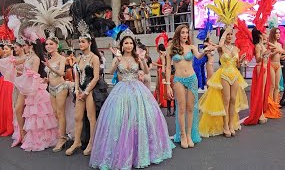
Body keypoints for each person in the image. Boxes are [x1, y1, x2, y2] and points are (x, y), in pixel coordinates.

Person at [89, 29, 173, 169]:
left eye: (130, 43)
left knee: (140, 119)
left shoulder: (136, 57)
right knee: (121, 120)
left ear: (134, 44)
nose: (128, 45)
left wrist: (142, 60)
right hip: (121, 90)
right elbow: (109, 72)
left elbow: (146, 72)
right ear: (122, 45)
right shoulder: (118, 58)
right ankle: (121, 152)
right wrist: (116, 61)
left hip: (137, 89)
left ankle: (141, 152)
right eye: (126, 43)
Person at [165, 24, 215, 148]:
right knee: (181, 108)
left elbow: (198, 56)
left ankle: (189, 135)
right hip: (178, 80)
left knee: (191, 108)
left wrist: (205, 52)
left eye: (187, 32)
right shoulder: (170, 48)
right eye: (182, 32)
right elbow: (167, 67)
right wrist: (167, 85)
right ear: (178, 34)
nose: (185, 35)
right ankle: (182, 135)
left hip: (192, 79)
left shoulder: (191, 47)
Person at [199, 26, 248, 137]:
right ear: (224, 35)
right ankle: (225, 125)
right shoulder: (221, 48)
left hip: (235, 74)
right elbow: (220, 44)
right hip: (224, 74)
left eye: (231, 34)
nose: (230, 36)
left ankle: (231, 124)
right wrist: (227, 27)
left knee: (233, 99)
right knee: (226, 100)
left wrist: (241, 60)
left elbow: (237, 65)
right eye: (228, 34)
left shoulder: (235, 49)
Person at [65, 28, 102, 156]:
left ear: (89, 43)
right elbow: (76, 76)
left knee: (91, 118)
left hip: (90, 91)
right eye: (79, 42)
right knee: (77, 117)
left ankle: (92, 142)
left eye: (83, 42)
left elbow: (96, 77)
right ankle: (77, 142)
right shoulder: (79, 58)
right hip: (80, 91)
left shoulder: (95, 58)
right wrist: (76, 90)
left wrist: (86, 92)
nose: (80, 44)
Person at [43, 37, 69, 152]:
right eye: (47, 44)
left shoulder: (61, 58)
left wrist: (49, 67)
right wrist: (46, 79)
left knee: (60, 112)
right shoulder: (49, 58)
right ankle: (61, 134)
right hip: (51, 88)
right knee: (55, 113)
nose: (48, 46)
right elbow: (51, 75)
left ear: (57, 45)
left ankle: (62, 138)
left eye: (51, 44)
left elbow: (62, 73)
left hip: (61, 87)